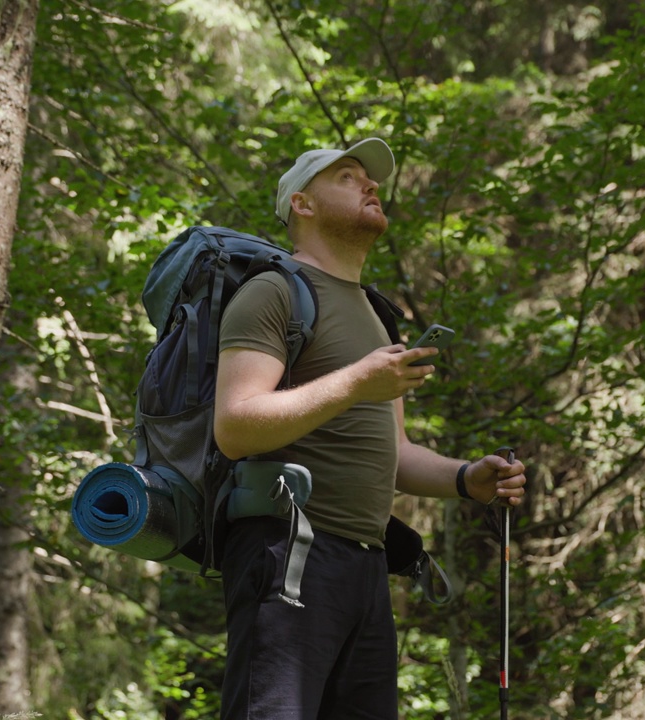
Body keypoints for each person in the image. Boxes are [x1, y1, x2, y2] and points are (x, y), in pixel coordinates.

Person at [212, 137, 528, 720]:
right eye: (349, 176)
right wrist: (357, 383)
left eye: (372, 178)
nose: (371, 185)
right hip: (289, 553)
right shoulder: (274, 294)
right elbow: (235, 425)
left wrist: (466, 479)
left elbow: (396, 453)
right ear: (302, 205)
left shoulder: (378, 318)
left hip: (365, 563)